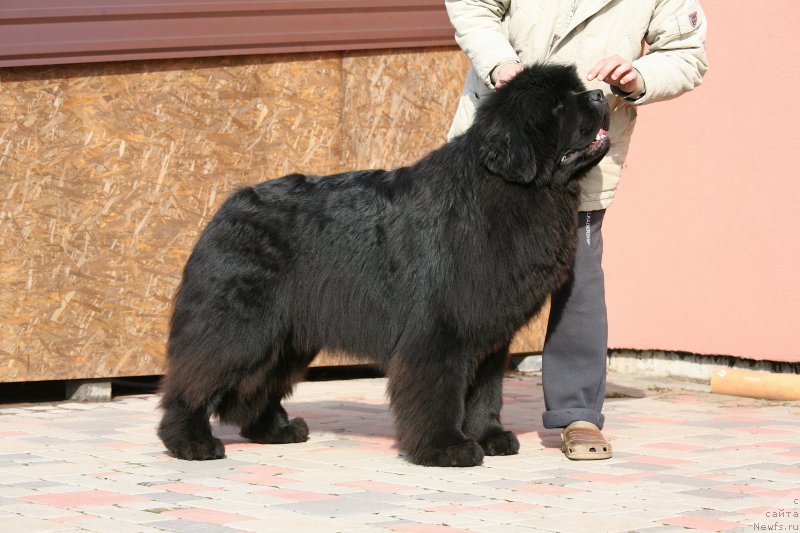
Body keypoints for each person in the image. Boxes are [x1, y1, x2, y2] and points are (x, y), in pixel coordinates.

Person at [445, 0, 708, 460]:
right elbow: (472, 6)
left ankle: (577, 415)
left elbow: (687, 54)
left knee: (579, 277)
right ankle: (452, 414)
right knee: (467, 286)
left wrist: (639, 77)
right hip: (496, 148)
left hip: (577, 154)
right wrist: (501, 62)